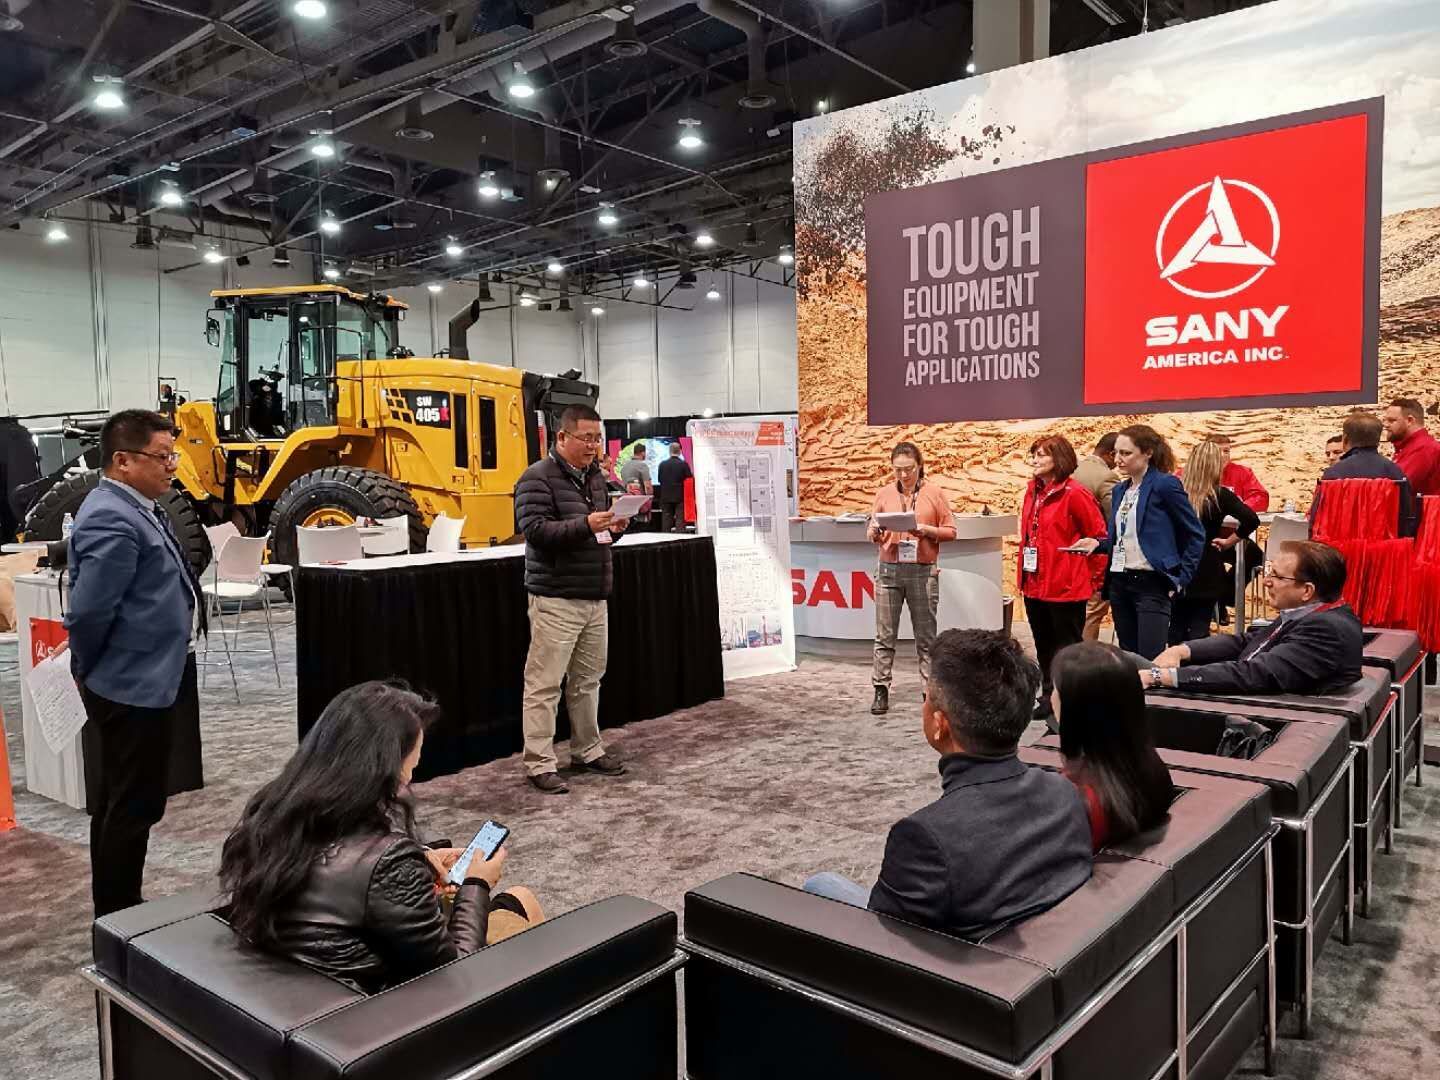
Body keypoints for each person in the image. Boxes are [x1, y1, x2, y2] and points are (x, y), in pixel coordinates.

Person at [219, 682, 545, 993]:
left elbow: (338, 869)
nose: (410, 778)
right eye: (410, 766)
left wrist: (420, 857)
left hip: (317, 984)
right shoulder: (387, 859)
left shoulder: (272, 816)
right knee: (526, 910)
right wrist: (477, 882)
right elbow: (454, 970)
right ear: (382, 768)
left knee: (518, 897)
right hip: (393, 1004)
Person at [804, 630, 1092, 937]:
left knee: (820, 884)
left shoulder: (926, 838)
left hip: (952, 962)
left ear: (939, 724)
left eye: (927, 698)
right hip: (1033, 951)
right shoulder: (1064, 792)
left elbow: (884, 943)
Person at [65, 409, 204, 916]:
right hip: (129, 684)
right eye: (162, 456)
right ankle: (119, 912)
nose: (172, 466)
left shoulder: (137, 506)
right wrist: (87, 667)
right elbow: (89, 611)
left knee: (126, 800)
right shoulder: (111, 516)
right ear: (123, 461)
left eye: (173, 455)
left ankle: (120, 906)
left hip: (148, 677)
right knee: (130, 805)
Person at [514, 404, 629, 793]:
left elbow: (597, 536)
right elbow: (535, 531)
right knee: (544, 684)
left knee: (587, 681)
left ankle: (587, 750)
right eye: (586, 438)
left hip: (595, 596)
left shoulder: (595, 478)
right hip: (556, 598)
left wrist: (615, 528)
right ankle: (539, 762)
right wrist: (586, 524)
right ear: (562, 437)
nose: (593, 446)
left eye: (598, 438)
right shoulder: (536, 478)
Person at [1142, 540, 1362, 695]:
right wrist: (1182, 650)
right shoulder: (1308, 614)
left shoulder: (1325, 629)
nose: (1266, 581)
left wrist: (1162, 677)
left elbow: (1254, 674)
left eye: (1276, 576)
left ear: (1307, 591)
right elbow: (1247, 641)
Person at [1071, 425, 1204, 660]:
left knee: (1150, 659)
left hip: (1152, 582)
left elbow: (1195, 533)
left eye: (1126, 453)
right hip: (1120, 582)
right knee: (1128, 656)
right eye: (1116, 453)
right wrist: (1098, 544)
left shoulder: (1165, 485)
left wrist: (1182, 578)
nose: (1118, 459)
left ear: (1148, 453)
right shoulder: (1120, 490)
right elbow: (1125, 536)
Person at [1050, 641, 1174, 850]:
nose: (1051, 696)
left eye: (1055, 689)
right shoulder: (1153, 772)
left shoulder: (1069, 802)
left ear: (1075, 708)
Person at [1018, 435, 1107, 722]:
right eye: (1034, 454)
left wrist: (1095, 581)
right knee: (1043, 644)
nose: (1035, 460)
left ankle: (1070, 700)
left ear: (1059, 459)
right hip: (1034, 584)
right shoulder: (1032, 491)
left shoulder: (1075, 493)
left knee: (1067, 648)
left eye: (1042, 454)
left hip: (1066, 585)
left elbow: (1098, 537)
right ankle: (1048, 696)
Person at [866, 441, 957, 715]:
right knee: (884, 635)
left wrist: (927, 530)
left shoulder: (934, 493)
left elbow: (951, 531)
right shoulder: (884, 493)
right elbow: (872, 529)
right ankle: (880, 688)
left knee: (926, 638)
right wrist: (874, 532)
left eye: (909, 469)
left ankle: (929, 693)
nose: (904, 475)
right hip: (888, 570)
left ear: (920, 466)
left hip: (922, 569)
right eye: (898, 470)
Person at [1170, 440, 1260, 644]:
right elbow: (1251, 520)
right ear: (1215, 466)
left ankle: (1173, 662)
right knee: (1199, 628)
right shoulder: (1219, 495)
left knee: (1176, 624)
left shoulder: (1175, 492)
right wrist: (1229, 541)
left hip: (1176, 562)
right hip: (1207, 563)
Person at [1316, 411, 1417, 537]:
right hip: (1385, 546)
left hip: (1342, 546)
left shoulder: (1333, 474)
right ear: (1378, 441)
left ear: (1345, 440)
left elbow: (1319, 522)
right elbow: (1406, 520)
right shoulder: (1396, 473)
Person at [1073, 433, 1119, 641]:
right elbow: (1115, 519)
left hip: (1071, 554)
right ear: (1110, 454)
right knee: (1092, 612)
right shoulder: (1106, 477)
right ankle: (1085, 658)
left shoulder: (1072, 470)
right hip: (1095, 556)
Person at [1383, 397, 1440, 497]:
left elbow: (1396, 488)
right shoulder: (1409, 448)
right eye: (1385, 420)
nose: (1385, 425)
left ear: (1410, 420)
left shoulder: (1424, 449)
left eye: (1391, 420)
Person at [1208, 434, 1269, 512]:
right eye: (1217, 451)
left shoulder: (1243, 472)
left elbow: (1260, 498)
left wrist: (1240, 508)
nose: (1222, 455)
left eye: (1226, 451)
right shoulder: (1196, 473)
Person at [657, 441, 693, 533]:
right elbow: (689, 479)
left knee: (666, 520)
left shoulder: (662, 464)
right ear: (680, 451)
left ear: (669, 451)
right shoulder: (683, 464)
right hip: (680, 496)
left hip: (665, 496)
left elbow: (660, 480)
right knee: (680, 520)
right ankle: (680, 539)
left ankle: (665, 539)